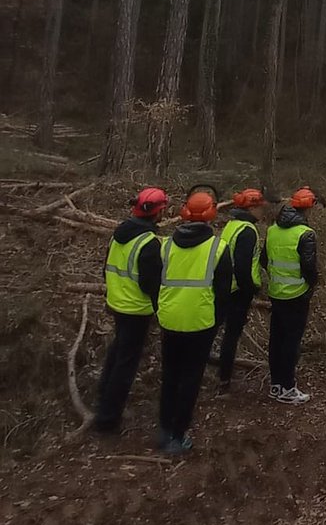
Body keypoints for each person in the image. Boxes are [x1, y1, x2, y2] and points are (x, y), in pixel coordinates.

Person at [156, 188, 233, 454]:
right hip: (200, 322)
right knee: (190, 378)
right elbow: (223, 294)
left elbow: (157, 282)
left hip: (169, 319)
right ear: (212, 214)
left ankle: (164, 429)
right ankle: (178, 435)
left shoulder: (165, 245)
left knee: (170, 376)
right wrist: (216, 321)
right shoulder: (219, 248)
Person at [94, 187, 169, 434]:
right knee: (126, 364)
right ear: (158, 212)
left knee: (118, 351)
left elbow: (107, 267)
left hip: (117, 303)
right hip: (137, 309)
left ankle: (103, 392)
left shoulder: (119, 235)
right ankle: (107, 419)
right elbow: (151, 284)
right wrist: (162, 308)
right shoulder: (148, 243)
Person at [264, 187, 319, 403]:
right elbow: (309, 267)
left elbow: (263, 260)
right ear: (309, 208)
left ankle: (276, 385)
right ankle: (288, 387)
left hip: (276, 292)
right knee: (291, 342)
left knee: (276, 340)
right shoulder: (306, 234)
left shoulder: (272, 230)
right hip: (297, 295)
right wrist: (312, 285)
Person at [216, 188, 267, 394]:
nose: (262, 212)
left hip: (224, 286)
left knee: (219, 330)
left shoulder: (232, 225)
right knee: (231, 335)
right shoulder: (247, 231)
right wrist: (252, 288)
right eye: (260, 208)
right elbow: (243, 265)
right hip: (238, 290)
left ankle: (220, 375)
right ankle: (224, 379)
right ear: (251, 207)